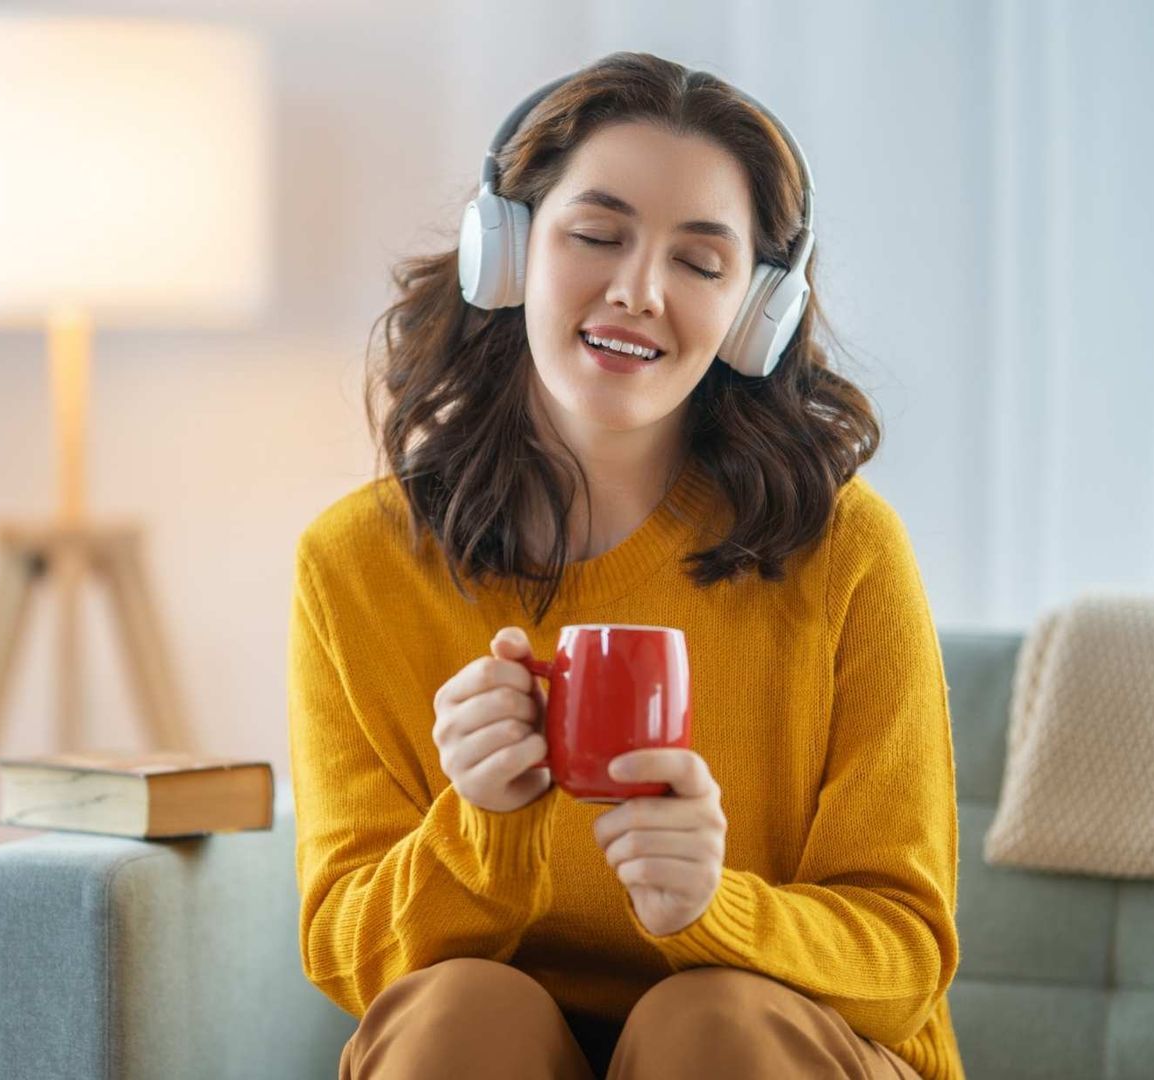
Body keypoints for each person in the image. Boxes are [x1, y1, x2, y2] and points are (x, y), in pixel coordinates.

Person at [287, 51, 962, 1080]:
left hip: (777, 1051)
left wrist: (714, 906)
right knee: (460, 1012)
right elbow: (353, 957)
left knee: (710, 1025)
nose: (639, 291)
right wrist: (478, 829)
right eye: (596, 235)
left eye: (700, 263)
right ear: (502, 252)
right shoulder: (356, 565)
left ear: (754, 313)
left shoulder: (847, 553)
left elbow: (907, 959)